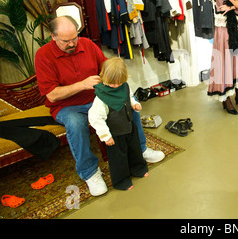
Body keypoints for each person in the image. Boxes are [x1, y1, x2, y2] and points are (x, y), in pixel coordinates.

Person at [35, 16, 164, 196]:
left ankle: (140, 149)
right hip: (67, 106)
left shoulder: (87, 44)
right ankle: (90, 172)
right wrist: (82, 84)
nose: (72, 44)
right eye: (66, 41)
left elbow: (105, 66)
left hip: (99, 97)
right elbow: (52, 95)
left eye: (74, 38)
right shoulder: (43, 55)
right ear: (53, 36)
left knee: (129, 104)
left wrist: (113, 76)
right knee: (75, 124)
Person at [88, 57, 148, 191]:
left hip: (129, 126)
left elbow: (130, 96)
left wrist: (135, 104)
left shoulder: (124, 86)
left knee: (135, 150)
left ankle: (138, 168)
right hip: (114, 134)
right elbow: (96, 118)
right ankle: (121, 180)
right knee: (118, 159)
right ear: (104, 78)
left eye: (119, 83)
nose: (116, 86)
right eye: (112, 83)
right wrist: (105, 136)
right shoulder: (101, 97)